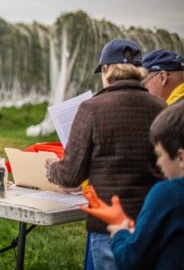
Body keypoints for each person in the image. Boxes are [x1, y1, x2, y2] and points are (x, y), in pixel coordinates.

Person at [45, 38, 165, 270]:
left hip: (108, 224)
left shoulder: (92, 108)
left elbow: (70, 176)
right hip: (151, 222)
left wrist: (51, 169)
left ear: (107, 69)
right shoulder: (161, 108)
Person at [102, 102, 184, 270]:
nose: (158, 163)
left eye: (160, 155)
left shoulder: (167, 195)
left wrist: (120, 234)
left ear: (181, 157)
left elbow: (131, 258)